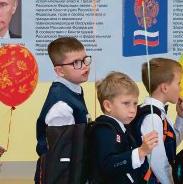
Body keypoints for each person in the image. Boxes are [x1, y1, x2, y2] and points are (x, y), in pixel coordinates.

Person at [35, 37, 91, 183]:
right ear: (59, 71)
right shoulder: (61, 105)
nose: (85, 66)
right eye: (76, 63)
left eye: (85, 59)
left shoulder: (73, 89)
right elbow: (61, 156)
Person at [89, 72, 159, 184]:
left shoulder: (124, 128)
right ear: (107, 105)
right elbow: (108, 165)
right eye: (126, 103)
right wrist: (140, 152)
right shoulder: (103, 129)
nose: (132, 109)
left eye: (135, 103)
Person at [132, 58, 183, 184]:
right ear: (165, 88)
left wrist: (181, 117)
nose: (181, 88)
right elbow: (158, 162)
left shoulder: (159, 113)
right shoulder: (152, 118)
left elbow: (170, 144)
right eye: (179, 83)